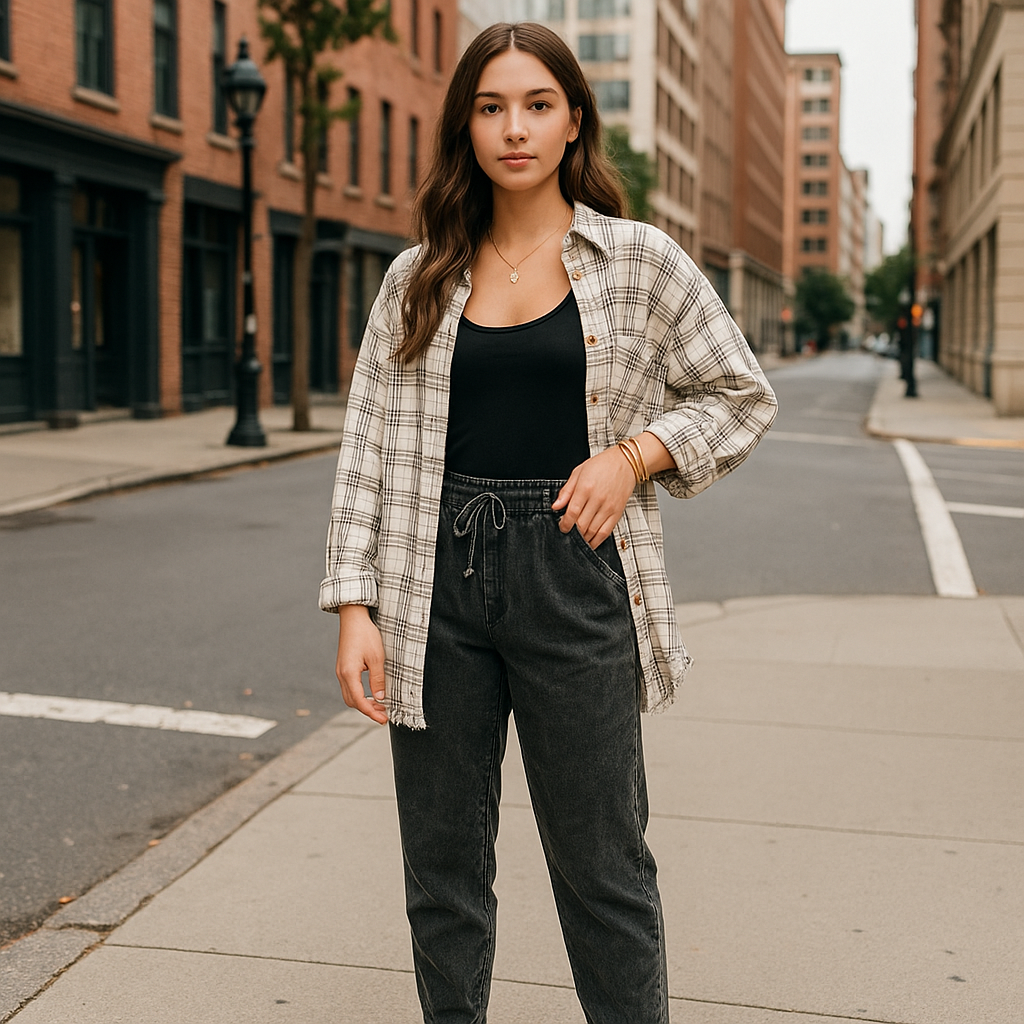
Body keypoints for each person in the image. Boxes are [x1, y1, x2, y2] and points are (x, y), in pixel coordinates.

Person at [319, 22, 777, 1024]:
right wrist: (355, 603)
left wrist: (633, 454)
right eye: (490, 107)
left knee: (602, 867)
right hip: (432, 580)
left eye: (535, 105)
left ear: (573, 120)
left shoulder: (636, 260)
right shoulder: (417, 276)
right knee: (441, 873)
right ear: (466, 127)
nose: (512, 128)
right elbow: (368, 445)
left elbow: (740, 394)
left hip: (575, 576)